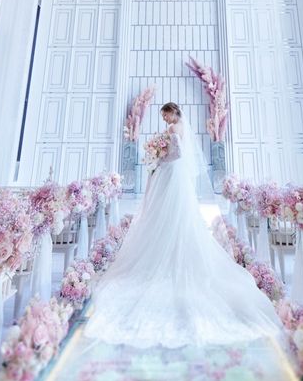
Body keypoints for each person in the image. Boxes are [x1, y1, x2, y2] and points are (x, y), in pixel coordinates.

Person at [83, 102, 283, 348]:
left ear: (172, 112)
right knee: (173, 213)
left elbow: (177, 154)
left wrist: (159, 158)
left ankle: (165, 253)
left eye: (165, 114)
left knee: (166, 212)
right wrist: (158, 155)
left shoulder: (173, 129)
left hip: (170, 173)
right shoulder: (181, 128)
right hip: (176, 176)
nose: (164, 119)